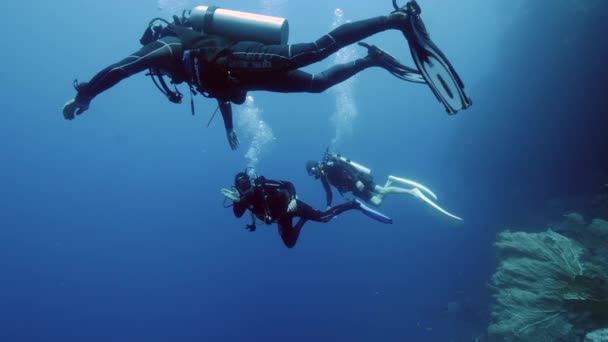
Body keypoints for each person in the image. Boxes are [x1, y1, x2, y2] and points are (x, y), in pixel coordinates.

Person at [63, 1, 471, 149]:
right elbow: (217, 92)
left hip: (242, 60)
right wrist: (228, 129)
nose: (151, 65)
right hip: (239, 77)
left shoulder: (168, 47)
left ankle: (393, 19)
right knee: (316, 85)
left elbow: (122, 67)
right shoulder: (181, 65)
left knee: (311, 52)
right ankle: (373, 59)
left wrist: (87, 94)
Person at [221, 170, 392, 248]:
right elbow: (237, 215)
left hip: (291, 205)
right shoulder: (241, 199)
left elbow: (288, 184)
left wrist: (294, 198)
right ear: (237, 187)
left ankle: (353, 204)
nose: (245, 185)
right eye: (241, 184)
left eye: (246, 182)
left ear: (249, 181)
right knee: (289, 244)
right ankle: (304, 220)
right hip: (280, 216)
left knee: (324, 218)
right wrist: (237, 201)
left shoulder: (261, 185)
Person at [306, 151, 463, 221]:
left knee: (381, 190)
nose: (314, 174)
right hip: (354, 189)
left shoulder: (329, 165)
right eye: (312, 174)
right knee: (378, 203)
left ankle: (412, 191)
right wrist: (328, 206)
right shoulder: (323, 177)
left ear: (315, 166)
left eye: (312, 171)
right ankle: (391, 180)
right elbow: (328, 192)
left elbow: (346, 168)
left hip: (358, 180)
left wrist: (356, 180)